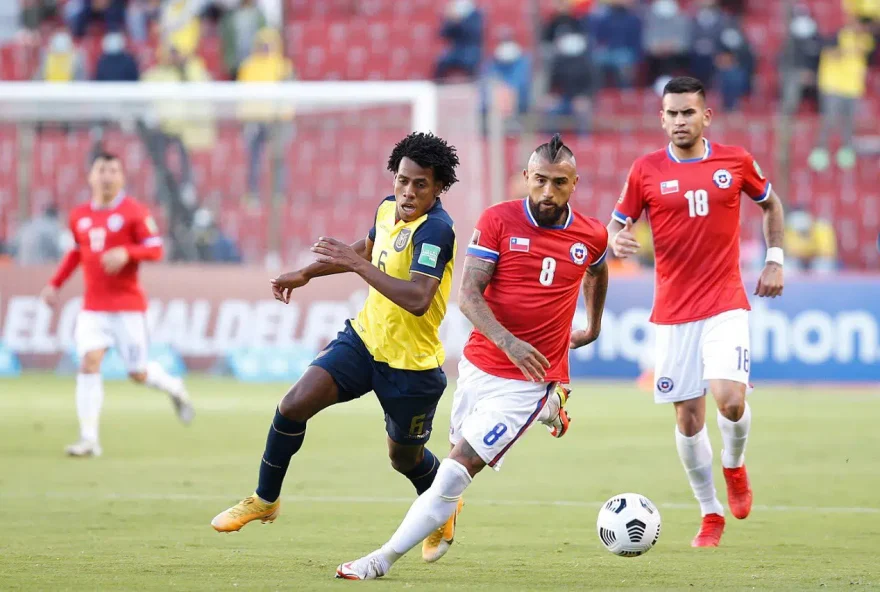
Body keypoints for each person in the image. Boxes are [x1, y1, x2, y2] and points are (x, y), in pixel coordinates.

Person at [335, 134, 609, 579]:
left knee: (453, 472)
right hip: (480, 366)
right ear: (526, 177)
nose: (547, 192)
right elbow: (468, 296)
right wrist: (509, 342)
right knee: (452, 455)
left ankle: (378, 560)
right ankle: (553, 409)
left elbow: (597, 267)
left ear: (575, 183)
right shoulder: (498, 221)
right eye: (539, 180)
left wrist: (593, 325)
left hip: (528, 381)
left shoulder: (590, 234)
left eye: (559, 183)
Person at [210, 132, 462, 535]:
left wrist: (356, 265)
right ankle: (264, 499)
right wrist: (307, 273)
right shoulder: (386, 209)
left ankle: (443, 505)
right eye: (402, 180)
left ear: (438, 188)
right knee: (293, 405)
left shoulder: (436, 231)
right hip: (364, 341)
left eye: (421, 184)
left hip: (411, 366)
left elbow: (417, 298)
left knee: (405, 460)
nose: (408, 191)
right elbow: (365, 249)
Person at [607, 76, 785, 547]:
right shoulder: (644, 170)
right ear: (661, 118)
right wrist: (616, 238)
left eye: (689, 112)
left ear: (706, 116)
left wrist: (774, 258)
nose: (680, 121)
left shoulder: (736, 160)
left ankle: (734, 464)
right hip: (672, 313)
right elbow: (617, 223)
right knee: (688, 418)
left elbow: (771, 204)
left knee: (730, 400)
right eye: (672, 113)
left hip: (725, 302)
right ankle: (710, 513)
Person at [39, 152, 195, 458]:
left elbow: (156, 249)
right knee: (89, 361)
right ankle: (88, 439)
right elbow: (76, 253)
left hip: (128, 308)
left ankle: (174, 386)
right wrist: (54, 284)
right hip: (93, 309)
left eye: (113, 170)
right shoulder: (79, 215)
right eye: (102, 169)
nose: (107, 176)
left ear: (122, 177)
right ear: (91, 176)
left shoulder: (134, 212)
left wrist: (127, 253)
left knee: (137, 373)